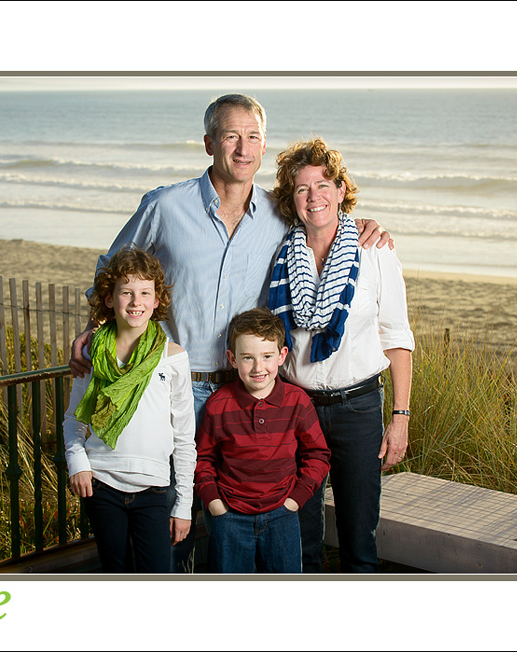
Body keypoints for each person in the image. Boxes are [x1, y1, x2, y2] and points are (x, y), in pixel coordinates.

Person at [69, 93, 391, 572]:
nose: (244, 148)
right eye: (231, 136)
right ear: (208, 143)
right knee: (173, 522)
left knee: (238, 521)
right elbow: (112, 270)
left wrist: (363, 225)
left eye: (254, 137)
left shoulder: (281, 215)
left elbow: (321, 217)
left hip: (247, 394)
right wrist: (93, 327)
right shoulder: (164, 206)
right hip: (175, 386)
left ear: (264, 148)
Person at [268, 138, 414, 573]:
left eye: (324, 184)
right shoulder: (279, 254)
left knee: (359, 536)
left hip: (359, 408)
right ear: (290, 199)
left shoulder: (374, 250)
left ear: (340, 189)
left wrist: (401, 417)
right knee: (300, 536)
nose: (314, 196)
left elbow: (397, 335)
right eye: (302, 188)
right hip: (298, 408)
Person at [62, 247, 196, 573]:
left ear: (156, 300)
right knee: (115, 573)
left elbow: (184, 436)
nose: (136, 302)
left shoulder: (173, 357)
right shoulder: (94, 353)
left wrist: (184, 506)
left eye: (145, 293)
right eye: (126, 292)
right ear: (109, 299)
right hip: (101, 484)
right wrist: (78, 464)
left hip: (153, 489)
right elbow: (73, 420)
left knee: (156, 574)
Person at [194, 308, 330, 573]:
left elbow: (318, 455)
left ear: (281, 356)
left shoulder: (297, 402)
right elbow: (203, 459)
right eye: (248, 358)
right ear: (232, 359)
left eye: (267, 357)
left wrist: (295, 500)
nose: (258, 368)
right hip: (230, 517)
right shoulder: (218, 405)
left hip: (283, 515)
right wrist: (214, 503)